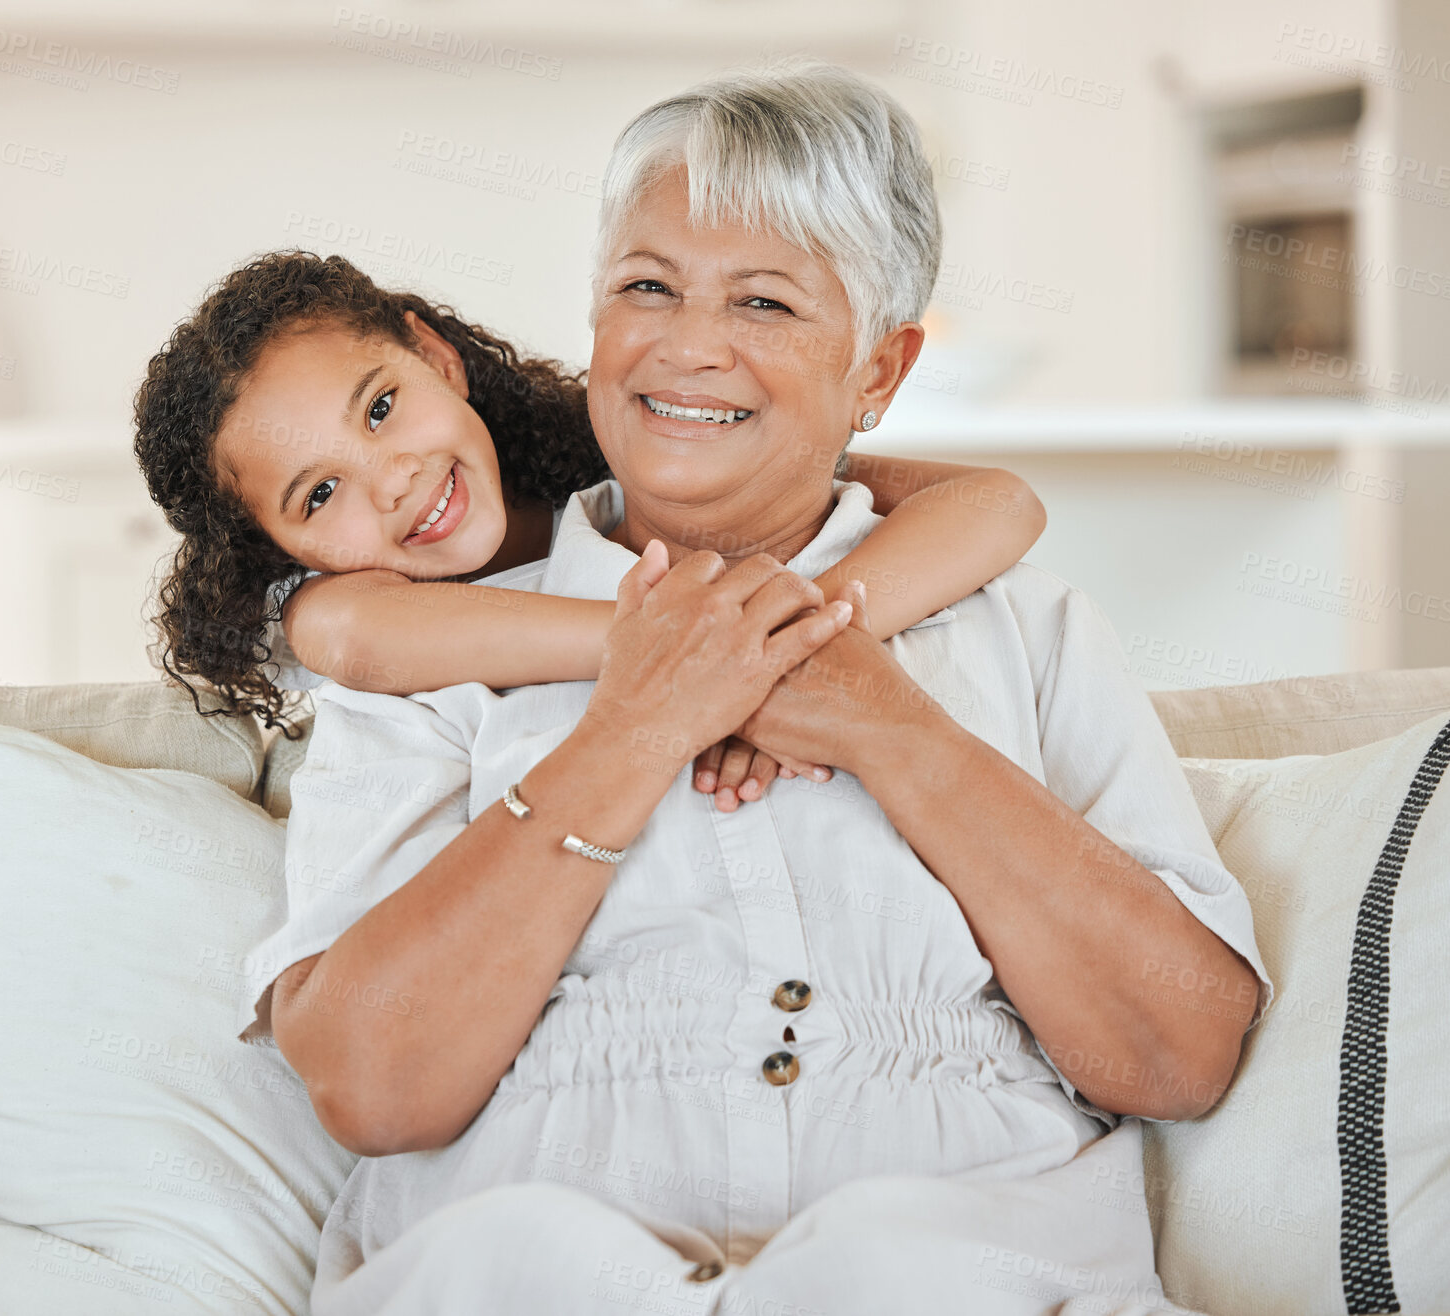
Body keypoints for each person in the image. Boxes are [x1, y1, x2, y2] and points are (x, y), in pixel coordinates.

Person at [232, 58, 1271, 1316]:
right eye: (646, 286)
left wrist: (881, 720)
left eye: (766, 302)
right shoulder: (435, 654)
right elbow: (368, 1086)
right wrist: (637, 723)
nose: (689, 345)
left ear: (879, 373)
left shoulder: (1025, 626)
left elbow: (1178, 1050)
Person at [132, 251, 1044, 809]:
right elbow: (354, 636)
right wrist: (688, 656)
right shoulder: (341, 609)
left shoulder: (628, 467)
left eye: (379, 408)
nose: (393, 479)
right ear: (275, 551)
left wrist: (776, 648)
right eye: (319, 494)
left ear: (435, 357)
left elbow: (1000, 502)